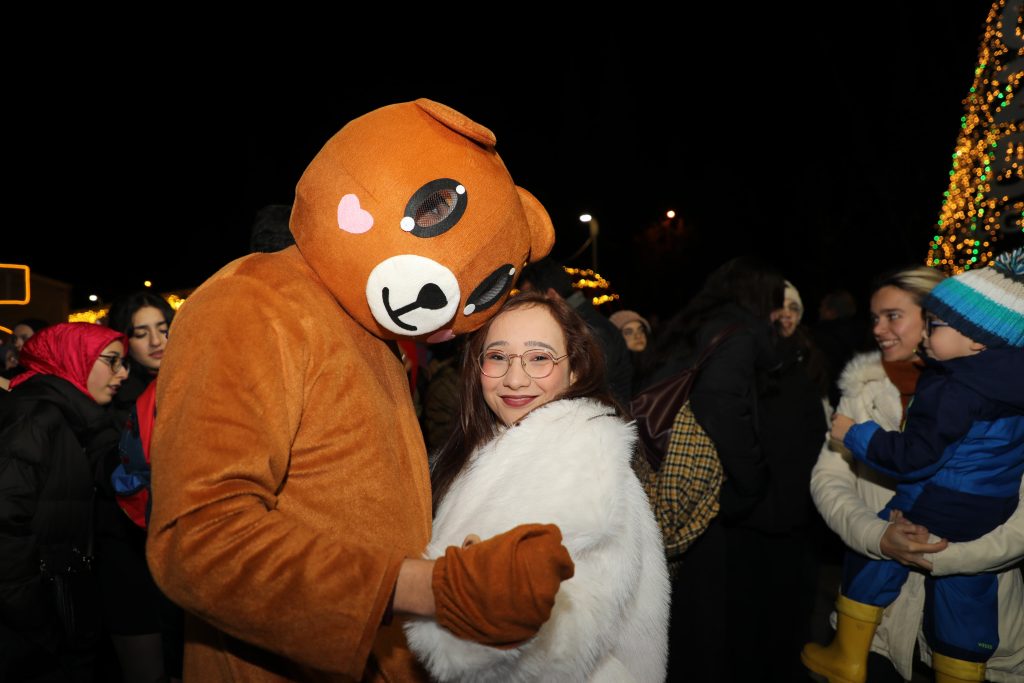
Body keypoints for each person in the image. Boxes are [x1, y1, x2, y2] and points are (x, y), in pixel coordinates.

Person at [146, 99, 572, 681]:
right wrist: (429, 587)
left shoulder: (372, 333)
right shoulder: (251, 303)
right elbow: (199, 541)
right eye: (434, 209)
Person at [404, 292, 670, 681]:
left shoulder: (579, 464)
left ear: (575, 370)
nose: (515, 378)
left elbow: (543, 655)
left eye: (539, 357)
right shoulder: (492, 445)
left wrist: (399, 591)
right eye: (497, 357)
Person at [805, 265, 1024, 683]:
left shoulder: (992, 393)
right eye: (873, 317)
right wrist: (878, 538)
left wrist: (945, 555)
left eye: (894, 316)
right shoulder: (861, 389)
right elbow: (828, 480)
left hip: (989, 639)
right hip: (880, 636)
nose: (879, 330)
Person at [644, 255, 782, 680]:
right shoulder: (738, 334)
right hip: (700, 485)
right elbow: (719, 403)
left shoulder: (695, 324)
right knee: (701, 616)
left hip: (658, 465)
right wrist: (752, 477)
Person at [0, 322, 129, 681]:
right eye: (113, 361)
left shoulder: (77, 418)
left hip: (60, 613)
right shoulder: (35, 417)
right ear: (75, 359)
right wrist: (36, 618)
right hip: (32, 630)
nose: (122, 373)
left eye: (124, 364)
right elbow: (4, 524)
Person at [98, 291, 181, 682]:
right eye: (141, 333)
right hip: (130, 551)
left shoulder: (186, 381)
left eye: (163, 330)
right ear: (122, 339)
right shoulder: (112, 398)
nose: (156, 342)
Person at [518, 257, 633, 404]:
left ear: (552, 296)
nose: (527, 308)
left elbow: (581, 390)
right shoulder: (581, 324)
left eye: (531, 300)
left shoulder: (590, 332)